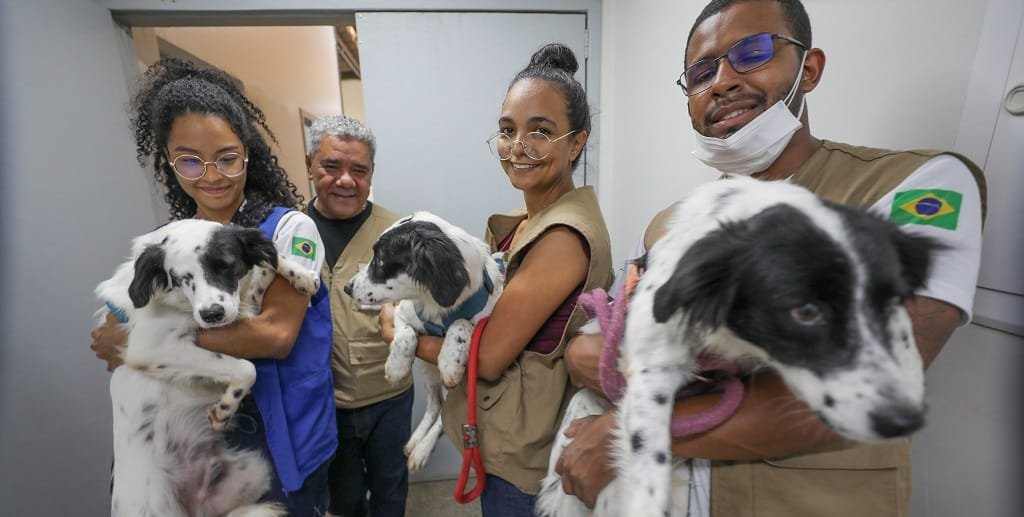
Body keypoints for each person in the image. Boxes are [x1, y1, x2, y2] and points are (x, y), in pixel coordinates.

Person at [555, 1, 986, 516]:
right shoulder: (668, 225)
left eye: (752, 52)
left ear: (810, 67)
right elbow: (586, 350)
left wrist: (630, 427)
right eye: (701, 71)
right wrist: (601, 356)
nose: (722, 81)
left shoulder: (915, 186)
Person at [89, 57, 338, 516]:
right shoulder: (171, 240)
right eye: (190, 160)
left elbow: (275, 337)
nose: (212, 175)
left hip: (280, 437)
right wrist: (131, 336)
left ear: (248, 151)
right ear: (169, 161)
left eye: (227, 157)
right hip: (186, 441)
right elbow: (114, 326)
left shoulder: (289, 230)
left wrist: (141, 342)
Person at [302, 115, 411, 517]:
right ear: (310, 163)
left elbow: (417, 303)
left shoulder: (398, 231)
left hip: (389, 398)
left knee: (390, 492)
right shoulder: (291, 232)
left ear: (371, 174)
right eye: (331, 166)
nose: (346, 180)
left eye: (358, 170)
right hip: (326, 400)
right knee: (343, 501)